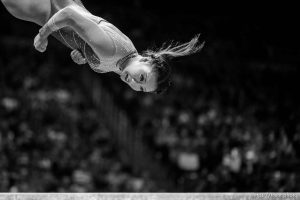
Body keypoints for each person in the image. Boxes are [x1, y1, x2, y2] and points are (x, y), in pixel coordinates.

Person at [1, 0, 204, 94]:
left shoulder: (122, 62)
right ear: (145, 59)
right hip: (49, 8)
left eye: (140, 88)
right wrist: (43, 34)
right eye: (141, 78)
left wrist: (83, 55)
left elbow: (87, 31)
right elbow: (70, 15)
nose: (133, 83)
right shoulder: (113, 52)